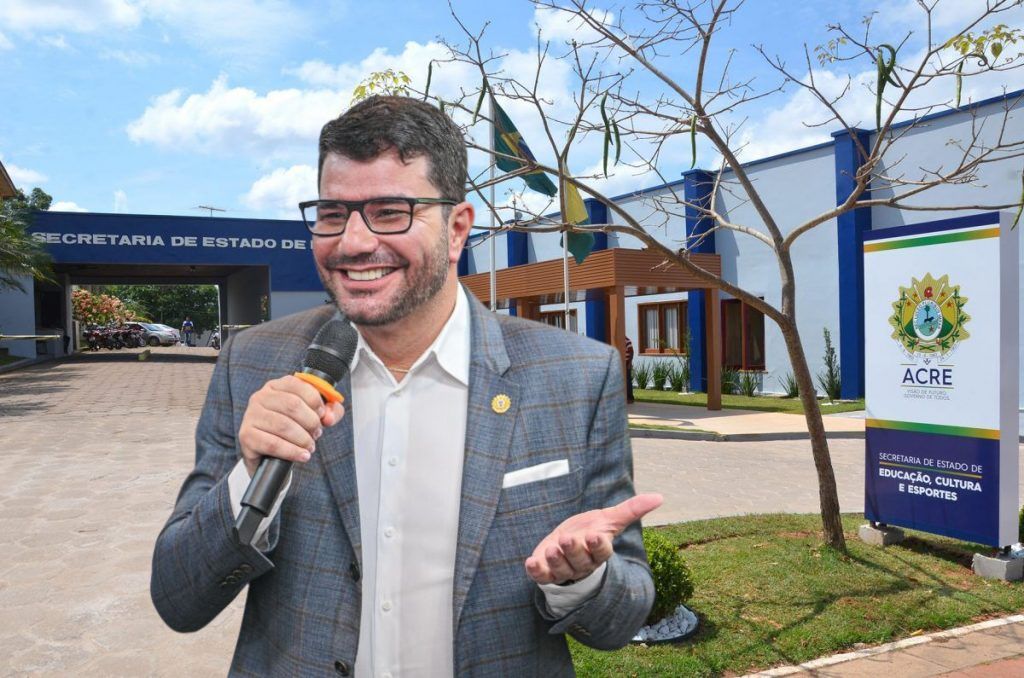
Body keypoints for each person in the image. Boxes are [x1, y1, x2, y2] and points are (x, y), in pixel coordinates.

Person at [151, 96, 659, 677]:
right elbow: (179, 601)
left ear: (457, 229)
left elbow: (620, 621)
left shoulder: (577, 375)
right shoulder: (253, 363)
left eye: (390, 212)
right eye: (332, 213)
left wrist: (581, 578)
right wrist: (248, 476)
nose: (353, 242)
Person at [625, 336, 635, 403]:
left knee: (628, 381)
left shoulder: (627, 340)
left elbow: (631, 352)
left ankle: (630, 398)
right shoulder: (619, 340)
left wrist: (629, 363)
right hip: (620, 363)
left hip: (626, 363)